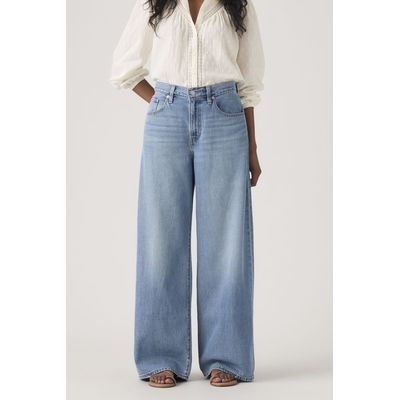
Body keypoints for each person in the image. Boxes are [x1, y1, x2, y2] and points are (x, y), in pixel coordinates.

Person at [110, 0, 265, 388]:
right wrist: (166, 102)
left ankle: (226, 357)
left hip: (225, 117)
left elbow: (248, 82)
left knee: (226, 244)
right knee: (160, 240)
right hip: (166, 117)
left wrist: (252, 147)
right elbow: (124, 66)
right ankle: (161, 356)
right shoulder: (154, 3)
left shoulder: (237, 5)